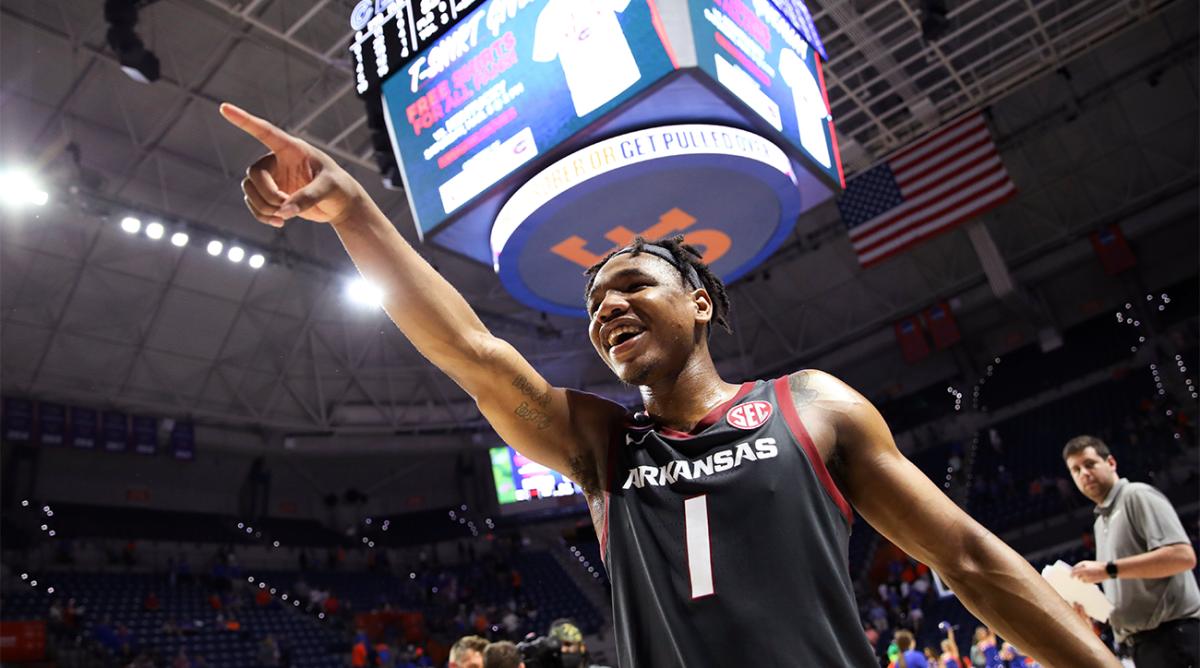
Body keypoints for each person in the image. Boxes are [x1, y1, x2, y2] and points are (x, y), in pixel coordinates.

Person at [218, 103, 1118, 668]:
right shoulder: (601, 443)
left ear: (697, 300)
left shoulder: (812, 404)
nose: (606, 307)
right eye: (593, 302)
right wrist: (353, 210)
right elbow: (471, 350)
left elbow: (965, 559)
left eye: (630, 286)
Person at [1064, 435, 1200, 666]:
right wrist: (1092, 611)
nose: (1083, 474)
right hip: (1142, 646)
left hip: (1174, 639)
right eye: (1075, 470)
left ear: (1111, 463)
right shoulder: (1100, 523)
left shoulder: (1137, 496)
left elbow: (1182, 557)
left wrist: (1108, 569)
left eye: (1089, 464)